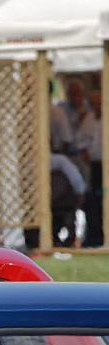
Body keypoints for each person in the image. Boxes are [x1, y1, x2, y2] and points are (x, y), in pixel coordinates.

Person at [77, 91, 103, 247]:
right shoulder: (89, 119)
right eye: (94, 104)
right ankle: (96, 233)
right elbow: (80, 139)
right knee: (94, 198)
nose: (96, 107)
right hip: (95, 165)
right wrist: (85, 153)